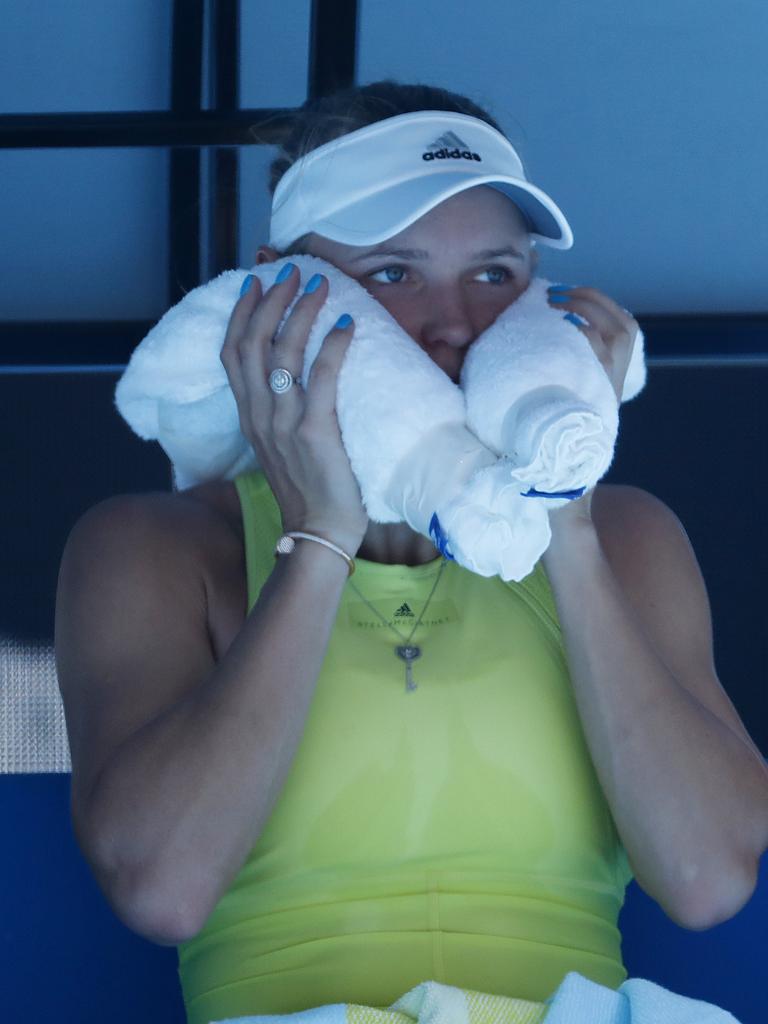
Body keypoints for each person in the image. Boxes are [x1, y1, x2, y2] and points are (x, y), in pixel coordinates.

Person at [54, 81, 768, 1024]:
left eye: (495, 272)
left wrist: (564, 518)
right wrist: (318, 538)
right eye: (394, 273)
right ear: (278, 292)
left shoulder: (625, 533)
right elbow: (162, 890)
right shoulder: (155, 547)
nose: (456, 324)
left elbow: (708, 879)